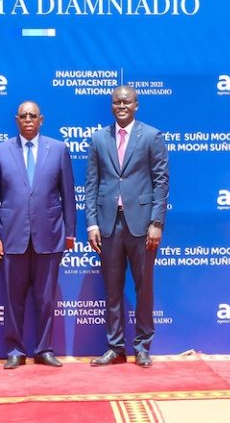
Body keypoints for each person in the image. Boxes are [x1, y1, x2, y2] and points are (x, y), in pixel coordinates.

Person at [0, 101, 76, 369]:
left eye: (32, 116)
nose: (28, 120)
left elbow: (68, 196)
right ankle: (15, 350)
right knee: (13, 300)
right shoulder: (0, 151)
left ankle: (44, 349)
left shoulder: (58, 149)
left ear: (41, 120)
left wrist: (70, 232)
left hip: (50, 237)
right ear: (16, 120)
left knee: (46, 300)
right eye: (23, 116)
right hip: (12, 238)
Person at [85, 85, 169, 368]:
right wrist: (92, 224)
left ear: (136, 105)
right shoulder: (99, 138)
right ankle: (115, 347)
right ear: (112, 106)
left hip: (143, 225)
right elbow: (91, 185)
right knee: (112, 289)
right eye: (116, 102)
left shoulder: (152, 136)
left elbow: (161, 182)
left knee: (144, 288)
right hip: (108, 224)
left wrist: (156, 222)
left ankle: (143, 346)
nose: (121, 106)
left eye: (126, 102)